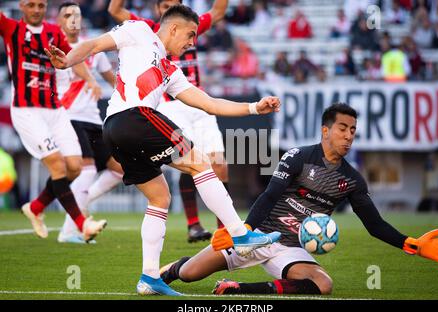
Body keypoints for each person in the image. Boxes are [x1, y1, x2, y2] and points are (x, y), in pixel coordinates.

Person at [45, 4, 281, 296]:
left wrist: (253, 108)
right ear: (173, 28)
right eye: (191, 35)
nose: (193, 42)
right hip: (133, 116)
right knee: (200, 162)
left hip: (117, 131)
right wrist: (67, 60)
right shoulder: (138, 30)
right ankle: (239, 233)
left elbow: (208, 103)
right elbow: (94, 44)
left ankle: (149, 278)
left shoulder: (170, 71)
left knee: (159, 197)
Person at [159, 103, 438, 296]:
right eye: (342, 129)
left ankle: (237, 288)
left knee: (323, 284)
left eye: (352, 131)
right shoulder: (299, 157)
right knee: (189, 273)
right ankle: (170, 269)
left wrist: (410, 244)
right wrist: (245, 232)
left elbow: (374, 225)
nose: (348, 137)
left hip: (290, 249)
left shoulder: (351, 180)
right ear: (326, 130)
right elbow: (269, 195)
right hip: (259, 235)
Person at [108, 0, 229, 243]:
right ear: (157, 9)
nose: (167, 9)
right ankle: (194, 224)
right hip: (169, 104)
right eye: (164, 5)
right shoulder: (147, 29)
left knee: (219, 165)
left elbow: (218, 11)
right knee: (189, 161)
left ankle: (223, 231)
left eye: (173, 5)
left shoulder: (189, 27)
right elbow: (114, 11)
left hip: (197, 100)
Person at [0, 0, 107, 241]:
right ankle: (82, 225)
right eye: (31, 5)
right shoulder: (11, 28)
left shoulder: (53, 33)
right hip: (27, 110)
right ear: (22, 6)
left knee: (74, 167)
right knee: (58, 165)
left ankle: (35, 207)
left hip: (54, 109)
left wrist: (90, 79)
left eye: (41, 5)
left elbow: (70, 59)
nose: (36, 10)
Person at [55, 2, 124, 243]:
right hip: (68, 116)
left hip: (93, 118)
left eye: (77, 14)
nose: (73, 19)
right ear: (59, 19)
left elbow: (114, 80)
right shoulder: (54, 48)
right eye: (68, 15)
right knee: (87, 170)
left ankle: (80, 205)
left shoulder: (93, 49)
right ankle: (69, 229)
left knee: (119, 169)